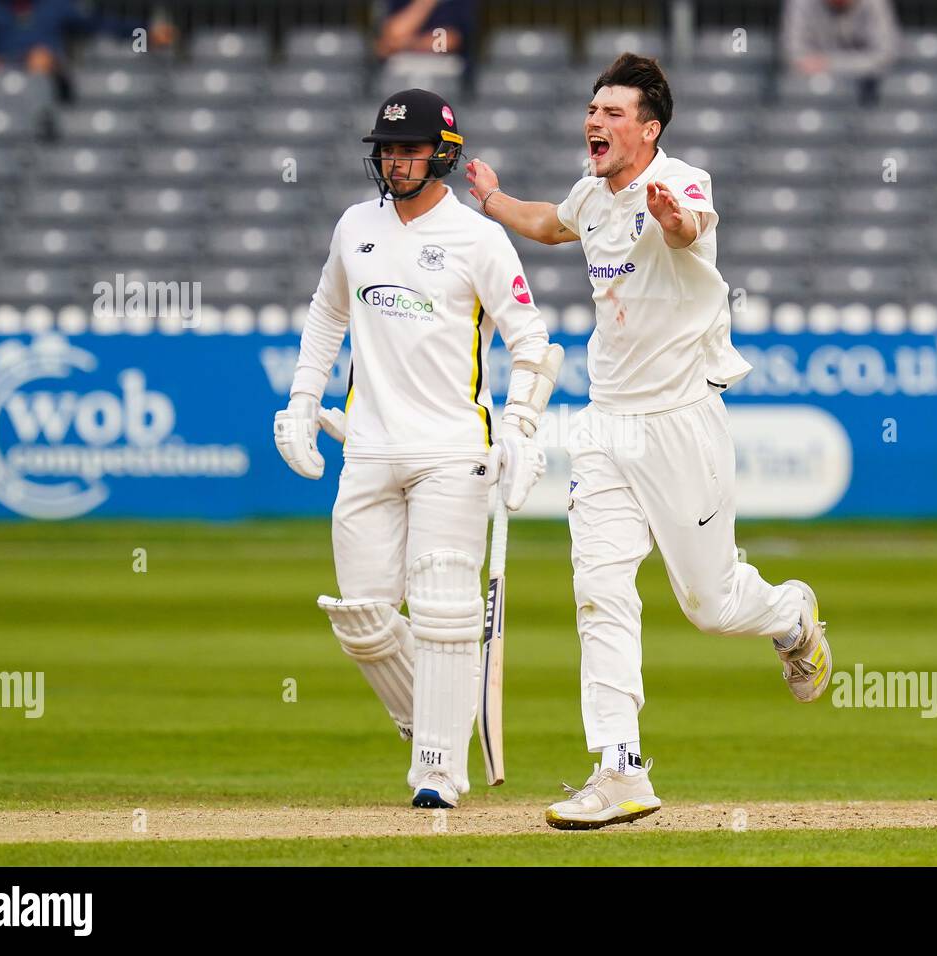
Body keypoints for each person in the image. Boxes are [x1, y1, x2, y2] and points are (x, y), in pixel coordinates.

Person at [465, 53, 834, 831]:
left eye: (612, 112)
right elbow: (547, 224)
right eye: (592, 109)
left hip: (680, 423)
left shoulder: (685, 182)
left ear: (650, 128)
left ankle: (790, 617)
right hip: (606, 424)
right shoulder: (592, 194)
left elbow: (690, 225)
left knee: (709, 603)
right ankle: (620, 769)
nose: (594, 121)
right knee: (599, 589)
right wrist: (494, 199)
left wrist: (672, 220)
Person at [273, 88, 553, 810]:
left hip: (451, 450)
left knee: (442, 610)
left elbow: (533, 345)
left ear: (443, 155)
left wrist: (520, 427)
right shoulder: (354, 227)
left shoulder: (479, 240)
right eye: (386, 149)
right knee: (362, 618)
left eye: (408, 149)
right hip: (367, 447)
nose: (394, 161)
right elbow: (327, 312)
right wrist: (305, 399)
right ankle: (439, 714)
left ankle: (437, 768)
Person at [0, 0, 173, 78]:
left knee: (41, 62)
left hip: (48, 77)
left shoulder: (56, 5)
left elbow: (101, 25)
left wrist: (145, 32)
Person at [781, 0, 899, 79]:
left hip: (865, 89)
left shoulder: (875, 3)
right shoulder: (801, 3)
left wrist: (829, 64)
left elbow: (884, 56)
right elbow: (794, 53)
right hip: (813, 83)